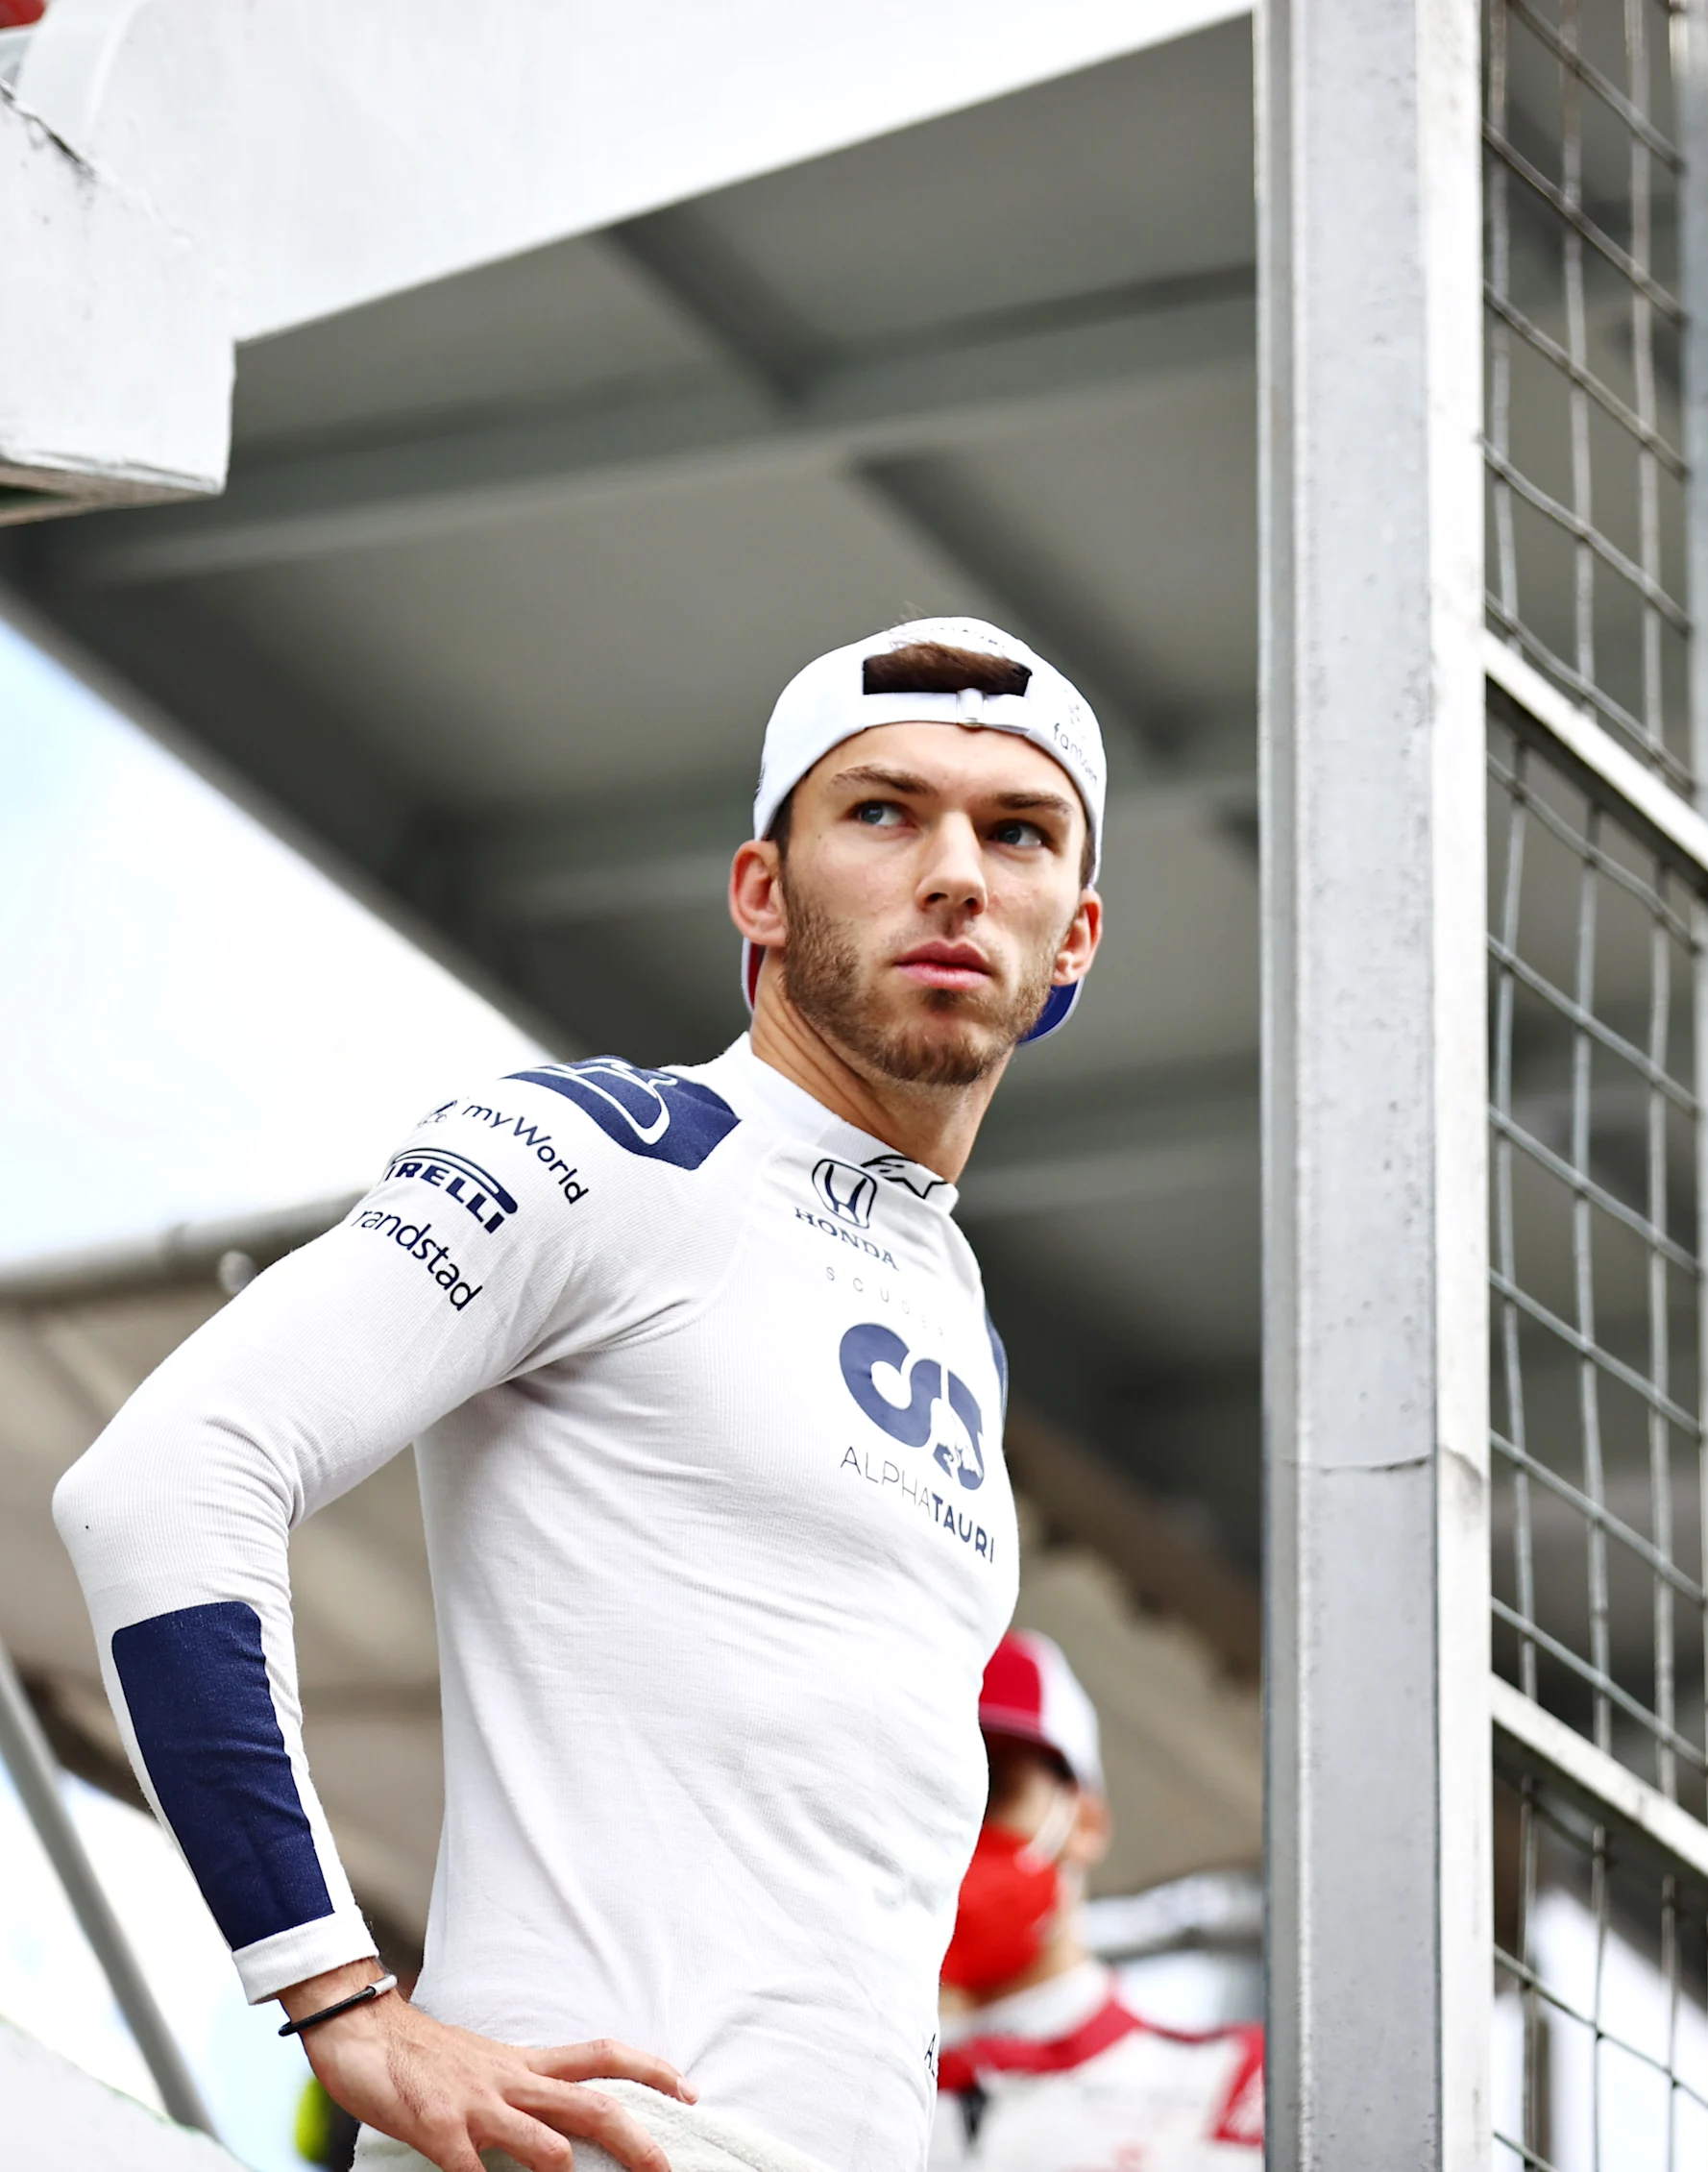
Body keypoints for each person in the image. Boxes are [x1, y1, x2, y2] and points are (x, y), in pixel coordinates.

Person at [56, 616, 1109, 2172]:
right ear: (762, 889)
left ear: (1072, 935)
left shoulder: (958, 1317)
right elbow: (162, 1481)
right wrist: (337, 1997)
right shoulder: (612, 1148)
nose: (956, 870)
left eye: (1014, 830)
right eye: (883, 811)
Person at [933, 1631, 1262, 2172]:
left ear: (1084, 1822)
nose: (960, 1831)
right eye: (933, 1793)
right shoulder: (835, 2098)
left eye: (993, 1788)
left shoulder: (1238, 2088)